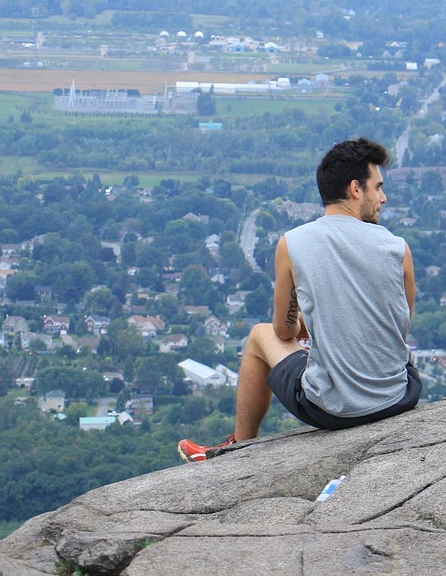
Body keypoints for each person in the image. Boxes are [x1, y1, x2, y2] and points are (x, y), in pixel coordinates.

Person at [177, 137, 420, 461]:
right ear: (355, 189)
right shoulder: (398, 247)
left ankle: (238, 450)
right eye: (378, 187)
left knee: (258, 337)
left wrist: (306, 324)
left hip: (334, 409)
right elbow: (396, 325)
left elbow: (283, 331)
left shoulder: (292, 244)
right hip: (399, 396)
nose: (383, 198)